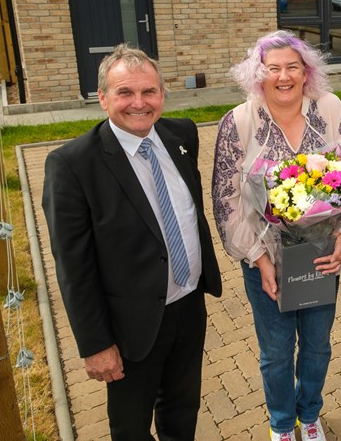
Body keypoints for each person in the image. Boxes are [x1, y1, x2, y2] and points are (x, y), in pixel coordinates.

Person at [42, 45, 223, 440]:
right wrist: (95, 343)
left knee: (181, 409)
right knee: (131, 425)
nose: (139, 103)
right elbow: (74, 267)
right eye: (125, 92)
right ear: (103, 98)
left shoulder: (182, 134)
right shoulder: (72, 165)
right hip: (130, 326)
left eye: (149, 92)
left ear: (162, 95)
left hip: (189, 305)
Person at [212, 31, 341, 441]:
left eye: (292, 67)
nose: (283, 76)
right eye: (272, 68)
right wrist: (260, 261)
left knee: (317, 347)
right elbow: (226, 202)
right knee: (277, 353)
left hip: (321, 258)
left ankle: (309, 415)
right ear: (257, 74)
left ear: (306, 71)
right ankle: (282, 424)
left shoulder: (330, 109)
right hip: (267, 263)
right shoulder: (239, 122)